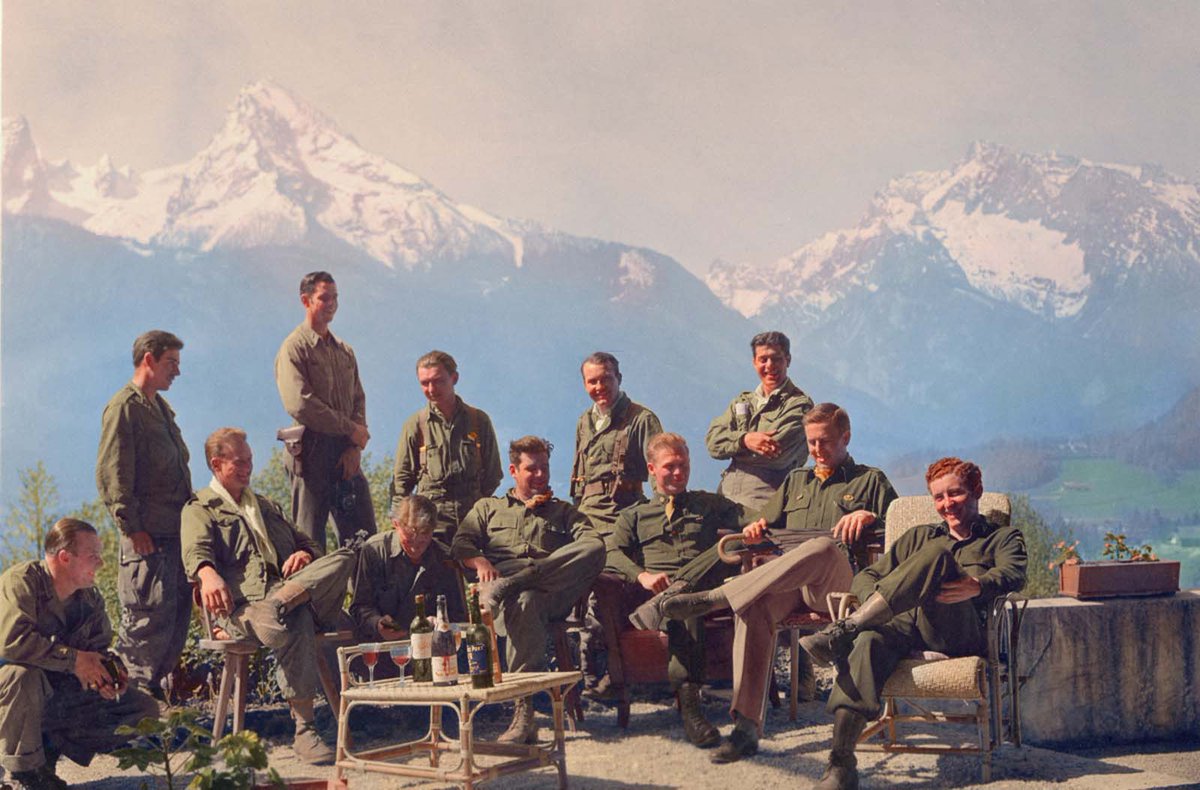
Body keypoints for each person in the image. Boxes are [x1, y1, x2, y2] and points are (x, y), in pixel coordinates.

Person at [652, 404, 898, 762]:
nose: (816, 450)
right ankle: (746, 729)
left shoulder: (869, 480)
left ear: (845, 437)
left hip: (839, 590)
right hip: (790, 587)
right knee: (754, 607)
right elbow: (763, 523)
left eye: (825, 442)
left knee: (824, 547)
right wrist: (755, 528)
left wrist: (870, 514)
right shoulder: (796, 481)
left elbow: (900, 533)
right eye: (811, 442)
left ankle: (720, 596)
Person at [800, 457, 1027, 790]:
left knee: (937, 556)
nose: (947, 504)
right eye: (939, 497)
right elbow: (867, 576)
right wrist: (874, 601)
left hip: (960, 631)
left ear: (976, 490)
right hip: (905, 629)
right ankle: (841, 764)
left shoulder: (1002, 537)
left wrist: (977, 585)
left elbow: (1014, 573)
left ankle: (844, 630)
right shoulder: (917, 536)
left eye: (956, 494)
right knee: (868, 643)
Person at [181, 428, 356, 765]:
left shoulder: (266, 505)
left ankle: (286, 600)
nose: (248, 467)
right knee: (292, 619)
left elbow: (311, 545)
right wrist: (207, 573)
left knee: (345, 556)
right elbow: (195, 552)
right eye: (239, 462)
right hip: (243, 608)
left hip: (285, 594)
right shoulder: (200, 508)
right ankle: (305, 731)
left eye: (250, 460)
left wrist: (304, 555)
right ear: (216, 464)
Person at [605, 433, 755, 750]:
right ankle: (691, 709)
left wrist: (755, 526)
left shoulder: (708, 504)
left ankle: (676, 595)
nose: (678, 473)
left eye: (683, 466)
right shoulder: (635, 515)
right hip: (664, 596)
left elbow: (753, 518)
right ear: (651, 469)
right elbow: (611, 553)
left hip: (707, 592)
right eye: (669, 467)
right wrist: (641, 575)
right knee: (683, 605)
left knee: (726, 546)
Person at [452, 436, 605, 744]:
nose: (540, 476)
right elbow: (460, 544)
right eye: (532, 469)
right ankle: (525, 713)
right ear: (513, 470)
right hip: (501, 598)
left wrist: (525, 577)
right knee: (525, 599)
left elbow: (592, 544)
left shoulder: (562, 512)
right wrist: (480, 560)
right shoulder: (488, 508)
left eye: (545, 469)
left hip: (550, 594)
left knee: (594, 547)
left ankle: (520, 580)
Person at [0, 518, 158, 790]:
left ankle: (44, 758)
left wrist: (108, 673)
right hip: (11, 697)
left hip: (53, 696)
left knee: (141, 709)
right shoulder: (21, 582)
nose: (101, 562)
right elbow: (13, 642)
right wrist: (75, 660)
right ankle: (21, 773)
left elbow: (97, 649)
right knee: (21, 676)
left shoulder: (89, 599)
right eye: (93, 555)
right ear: (64, 557)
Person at [95, 329, 193, 700]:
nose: (177, 372)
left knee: (171, 629)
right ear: (148, 359)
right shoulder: (125, 407)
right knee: (144, 631)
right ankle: (129, 717)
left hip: (172, 537)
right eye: (171, 363)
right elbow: (112, 473)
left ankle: (151, 718)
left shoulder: (159, 408)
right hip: (148, 541)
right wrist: (132, 528)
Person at [274, 270, 376, 549]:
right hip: (311, 453)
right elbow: (300, 403)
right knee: (310, 542)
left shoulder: (344, 351)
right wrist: (350, 429)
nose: (331, 303)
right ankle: (316, 594)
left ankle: (362, 594)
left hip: (345, 454)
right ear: (305, 300)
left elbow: (358, 398)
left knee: (364, 540)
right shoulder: (294, 349)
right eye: (324, 297)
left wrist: (354, 447)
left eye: (335, 297)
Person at [389, 351, 503, 545]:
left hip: (474, 520)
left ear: (454, 378)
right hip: (431, 524)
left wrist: (477, 505)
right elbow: (402, 482)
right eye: (424, 383)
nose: (431, 389)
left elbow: (493, 474)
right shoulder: (415, 425)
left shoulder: (478, 420)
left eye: (438, 381)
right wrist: (400, 524)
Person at [705, 331, 814, 510]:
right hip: (724, 496)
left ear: (788, 360)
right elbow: (712, 442)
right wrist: (745, 440)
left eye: (776, 359)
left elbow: (775, 454)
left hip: (765, 502)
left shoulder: (799, 405)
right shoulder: (742, 401)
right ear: (754, 362)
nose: (769, 365)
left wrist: (732, 447)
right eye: (763, 360)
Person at [570, 352, 663, 536]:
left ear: (618, 378)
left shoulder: (641, 419)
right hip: (586, 518)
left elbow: (660, 474)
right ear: (584, 384)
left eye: (606, 379)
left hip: (621, 515)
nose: (599, 387)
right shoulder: (584, 422)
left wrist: (663, 514)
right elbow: (579, 477)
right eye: (592, 381)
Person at [350, 494, 465, 641]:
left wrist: (440, 620)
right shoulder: (374, 551)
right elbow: (359, 607)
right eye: (408, 541)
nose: (414, 548)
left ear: (433, 530)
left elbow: (458, 615)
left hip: (431, 646)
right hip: (383, 649)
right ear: (396, 524)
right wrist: (377, 622)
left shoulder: (445, 558)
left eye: (422, 542)